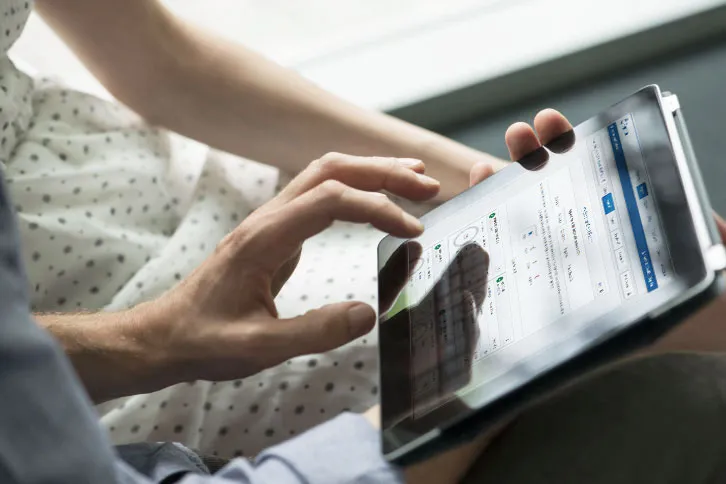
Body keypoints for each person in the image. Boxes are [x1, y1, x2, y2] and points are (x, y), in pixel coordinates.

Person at [4, 107, 726, 484]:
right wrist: (474, 385)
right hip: (141, 411)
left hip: (180, 257)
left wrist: (151, 338)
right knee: (692, 390)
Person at [4, 0, 506, 451]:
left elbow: (161, 59)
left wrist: (470, 181)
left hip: (162, 173)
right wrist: (156, 339)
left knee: (511, 286)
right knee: (495, 349)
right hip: (89, 357)